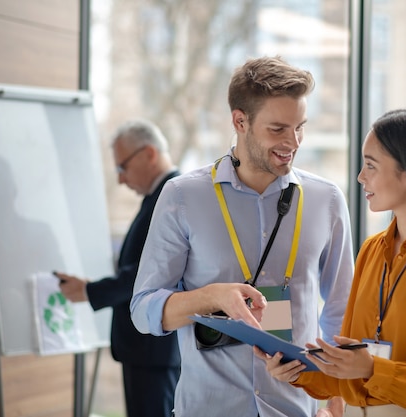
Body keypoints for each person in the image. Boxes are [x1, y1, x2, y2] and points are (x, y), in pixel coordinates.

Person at [130, 56, 354, 417]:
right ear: (240, 121)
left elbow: (342, 314)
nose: (293, 142)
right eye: (278, 129)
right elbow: (143, 311)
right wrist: (210, 297)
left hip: (297, 409)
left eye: (300, 127)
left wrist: (337, 404)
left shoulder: (326, 200)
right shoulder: (183, 196)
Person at [255, 108, 406, 417]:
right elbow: (349, 369)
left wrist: (373, 369)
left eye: (371, 165)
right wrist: (297, 370)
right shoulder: (372, 251)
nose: (361, 176)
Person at [56, 120, 181, 417]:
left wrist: (91, 290)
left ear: (149, 153)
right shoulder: (158, 197)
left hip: (154, 349)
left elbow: (147, 271)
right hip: (146, 350)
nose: (121, 179)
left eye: (122, 167)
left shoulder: (171, 196)